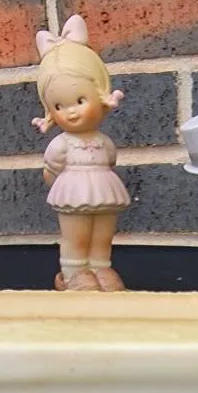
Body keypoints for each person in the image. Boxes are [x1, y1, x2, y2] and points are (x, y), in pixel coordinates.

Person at [33, 15, 129, 292]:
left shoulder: (104, 141)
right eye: (59, 106)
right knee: (76, 237)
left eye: (80, 100)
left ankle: (101, 269)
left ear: (100, 93)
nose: (71, 111)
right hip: (73, 196)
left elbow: (110, 161)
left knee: (102, 236)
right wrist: (65, 187)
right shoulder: (62, 144)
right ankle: (73, 274)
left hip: (105, 194)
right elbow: (51, 171)